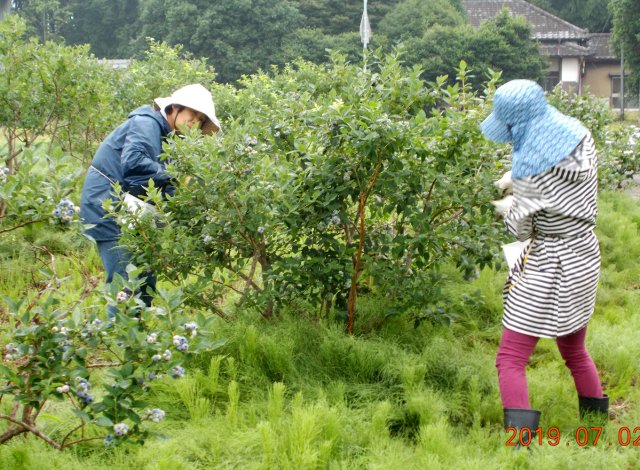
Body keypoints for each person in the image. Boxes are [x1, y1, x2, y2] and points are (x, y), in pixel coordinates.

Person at [481, 80, 608, 443]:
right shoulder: (581, 138)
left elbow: (521, 228)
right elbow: (563, 194)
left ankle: (519, 446)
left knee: (511, 356)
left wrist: (507, 202)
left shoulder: (533, 173)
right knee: (573, 348)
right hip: (584, 253)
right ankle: (596, 431)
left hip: (549, 262)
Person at [80, 84, 221, 314]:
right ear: (174, 108)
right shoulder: (147, 123)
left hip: (131, 210)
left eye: (201, 118)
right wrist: (176, 177)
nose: (196, 121)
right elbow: (134, 163)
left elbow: (160, 185)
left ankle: (139, 343)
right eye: (193, 113)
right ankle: (117, 340)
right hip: (107, 205)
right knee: (126, 283)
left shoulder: (168, 138)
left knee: (145, 281)